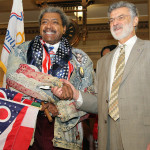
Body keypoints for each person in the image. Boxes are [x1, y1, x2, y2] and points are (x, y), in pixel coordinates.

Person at [52, 1, 150, 150]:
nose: (115, 23)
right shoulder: (104, 62)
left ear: (135, 20)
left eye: (121, 17)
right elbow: (100, 102)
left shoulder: (148, 50)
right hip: (108, 138)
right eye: (111, 20)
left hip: (141, 138)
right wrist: (75, 93)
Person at [6, 6, 95, 150]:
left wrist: (59, 108)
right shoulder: (22, 50)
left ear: (64, 28)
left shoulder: (80, 58)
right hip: (27, 128)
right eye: (44, 22)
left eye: (55, 22)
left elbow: (90, 97)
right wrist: (56, 89)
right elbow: (13, 78)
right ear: (40, 26)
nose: (48, 26)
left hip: (66, 133)